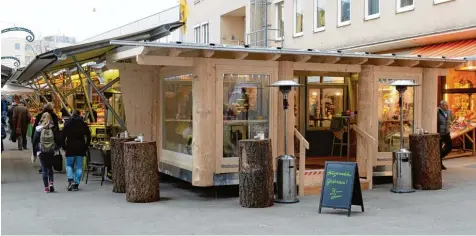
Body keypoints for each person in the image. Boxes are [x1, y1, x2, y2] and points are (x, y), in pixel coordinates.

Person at [61, 110, 91, 191]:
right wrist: (86, 146)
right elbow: (88, 136)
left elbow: (62, 136)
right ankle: (76, 183)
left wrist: (64, 147)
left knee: (69, 165)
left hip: (70, 147)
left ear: (72, 115)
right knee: (79, 167)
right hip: (81, 147)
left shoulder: (68, 124)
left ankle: (70, 180)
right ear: (80, 115)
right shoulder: (83, 124)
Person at [33, 112, 59, 193]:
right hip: (51, 150)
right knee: (50, 168)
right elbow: (57, 139)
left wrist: (34, 153)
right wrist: (57, 148)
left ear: (42, 118)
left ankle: (46, 187)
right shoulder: (53, 128)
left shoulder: (38, 129)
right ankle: (51, 183)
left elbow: (35, 141)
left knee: (44, 168)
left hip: (42, 150)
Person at [32, 103, 60, 173]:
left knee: (41, 151)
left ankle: (43, 166)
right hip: (51, 137)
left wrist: (33, 138)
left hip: (40, 137)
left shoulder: (39, 115)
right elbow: (56, 128)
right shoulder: (54, 116)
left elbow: (35, 127)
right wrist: (58, 140)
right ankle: (49, 165)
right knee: (50, 151)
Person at [437, 100, 452, 170]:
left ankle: (437, 158)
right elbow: (436, 123)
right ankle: (440, 164)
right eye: (446, 105)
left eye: (447, 105)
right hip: (440, 133)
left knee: (449, 148)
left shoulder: (448, 112)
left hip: (447, 133)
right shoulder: (437, 112)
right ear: (441, 106)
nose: (447, 106)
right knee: (439, 149)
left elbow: (450, 120)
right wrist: (437, 133)